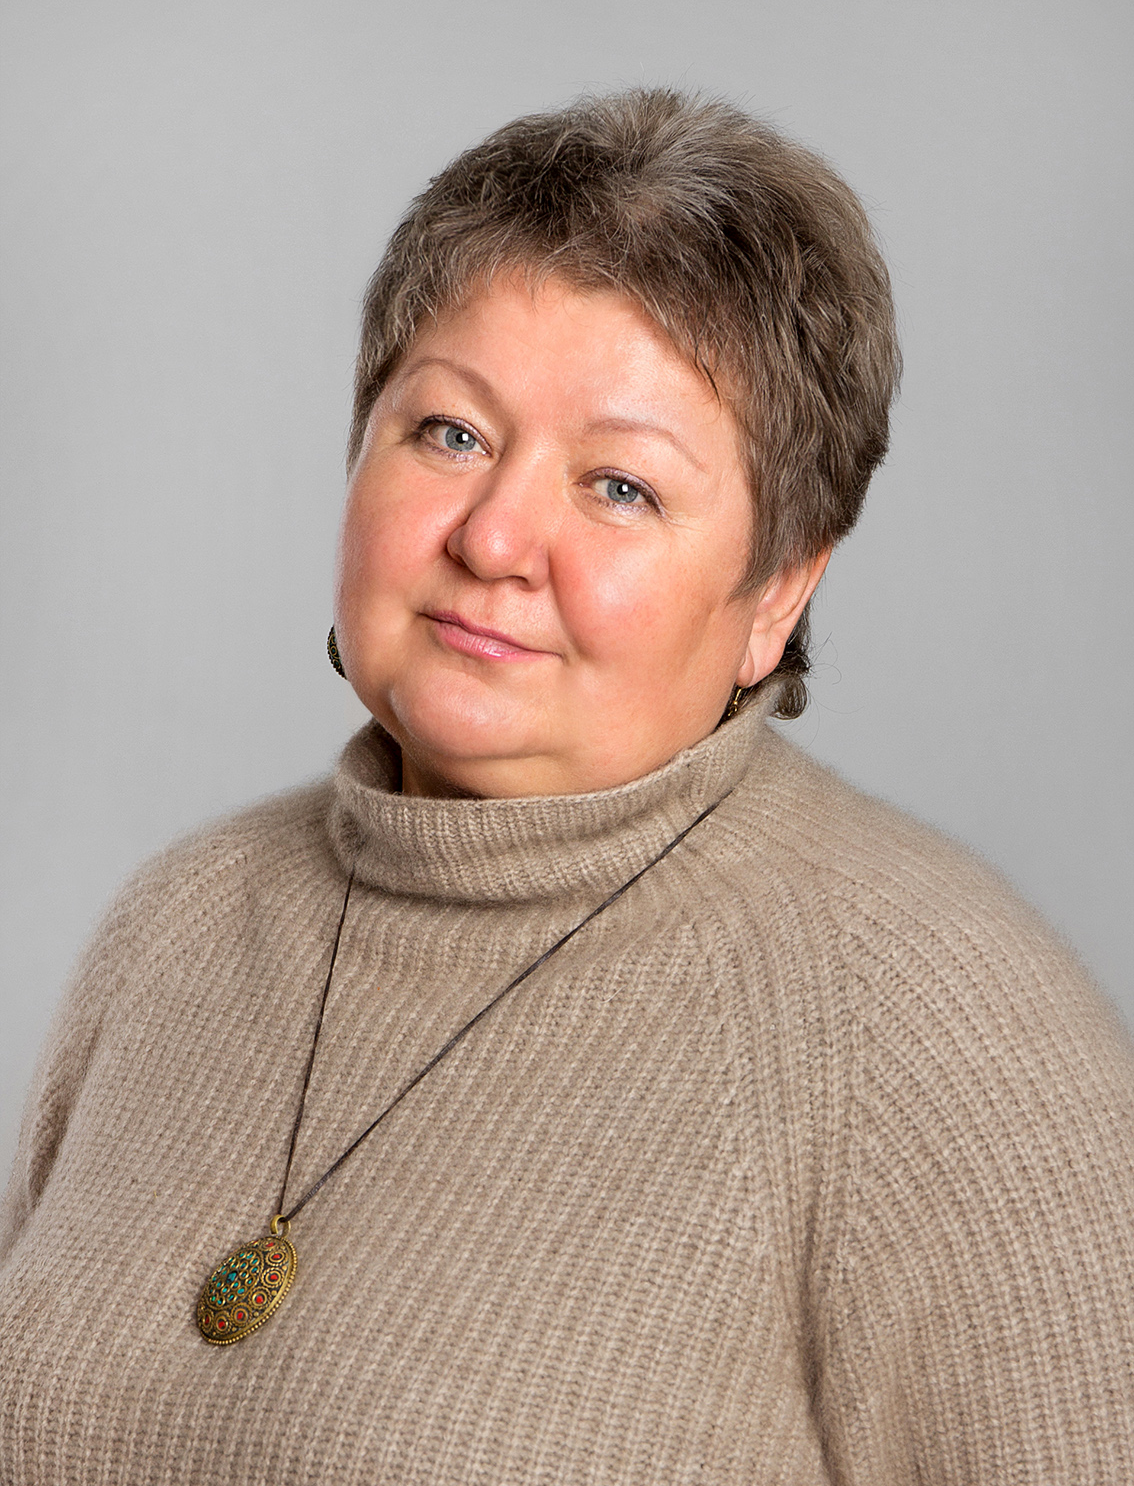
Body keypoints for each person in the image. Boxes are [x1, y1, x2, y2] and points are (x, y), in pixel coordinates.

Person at [1, 88, 1131, 1485]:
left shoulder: (940, 1034)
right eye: (451, 433)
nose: (493, 539)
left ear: (777, 592)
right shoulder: (176, 926)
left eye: (619, 487)